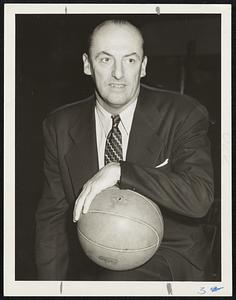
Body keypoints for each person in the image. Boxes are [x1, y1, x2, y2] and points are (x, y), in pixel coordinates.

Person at [35, 19, 214, 281]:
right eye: (105, 60)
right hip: (94, 257)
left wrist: (122, 171)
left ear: (143, 67)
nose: (118, 73)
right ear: (87, 64)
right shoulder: (59, 126)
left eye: (130, 60)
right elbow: (51, 220)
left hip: (168, 256)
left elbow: (200, 198)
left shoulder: (183, 114)